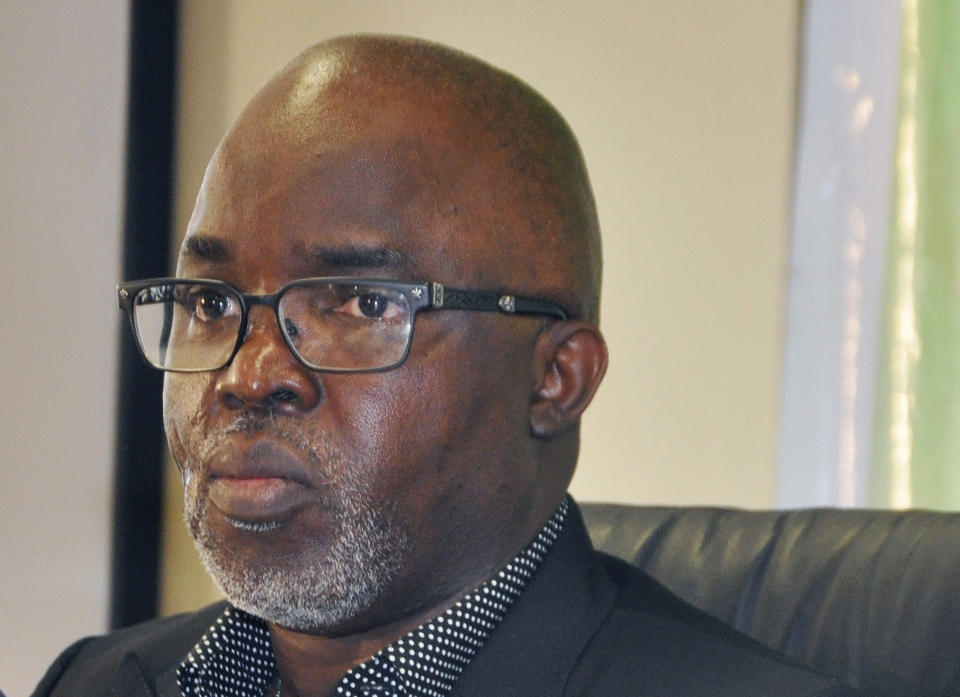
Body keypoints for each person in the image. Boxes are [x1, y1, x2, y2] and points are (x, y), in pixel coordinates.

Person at [33, 34, 859, 697]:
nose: (250, 374)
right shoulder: (96, 681)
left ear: (555, 379)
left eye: (357, 303)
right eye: (211, 304)